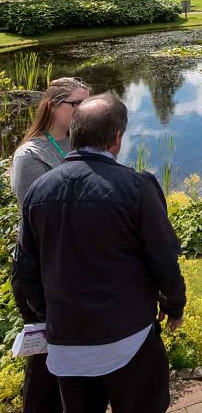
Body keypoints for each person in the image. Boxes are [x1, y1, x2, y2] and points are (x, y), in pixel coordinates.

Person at [13, 93, 186, 413]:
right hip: (128, 339)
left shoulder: (39, 191)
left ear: (75, 134)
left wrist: (48, 316)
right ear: (117, 139)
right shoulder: (136, 187)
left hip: (68, 347)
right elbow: (162, 259)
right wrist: (174, 305)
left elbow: (25, 269)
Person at [10, 76, 92, 413]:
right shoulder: (30, 156)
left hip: (77, 269)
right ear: (53, 106)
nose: (84, 111)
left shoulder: (83, 143)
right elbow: (38, 223)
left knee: (75, 363)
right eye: (77, 104)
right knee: (45, 365)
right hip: (43, 274)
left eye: (88, 103)